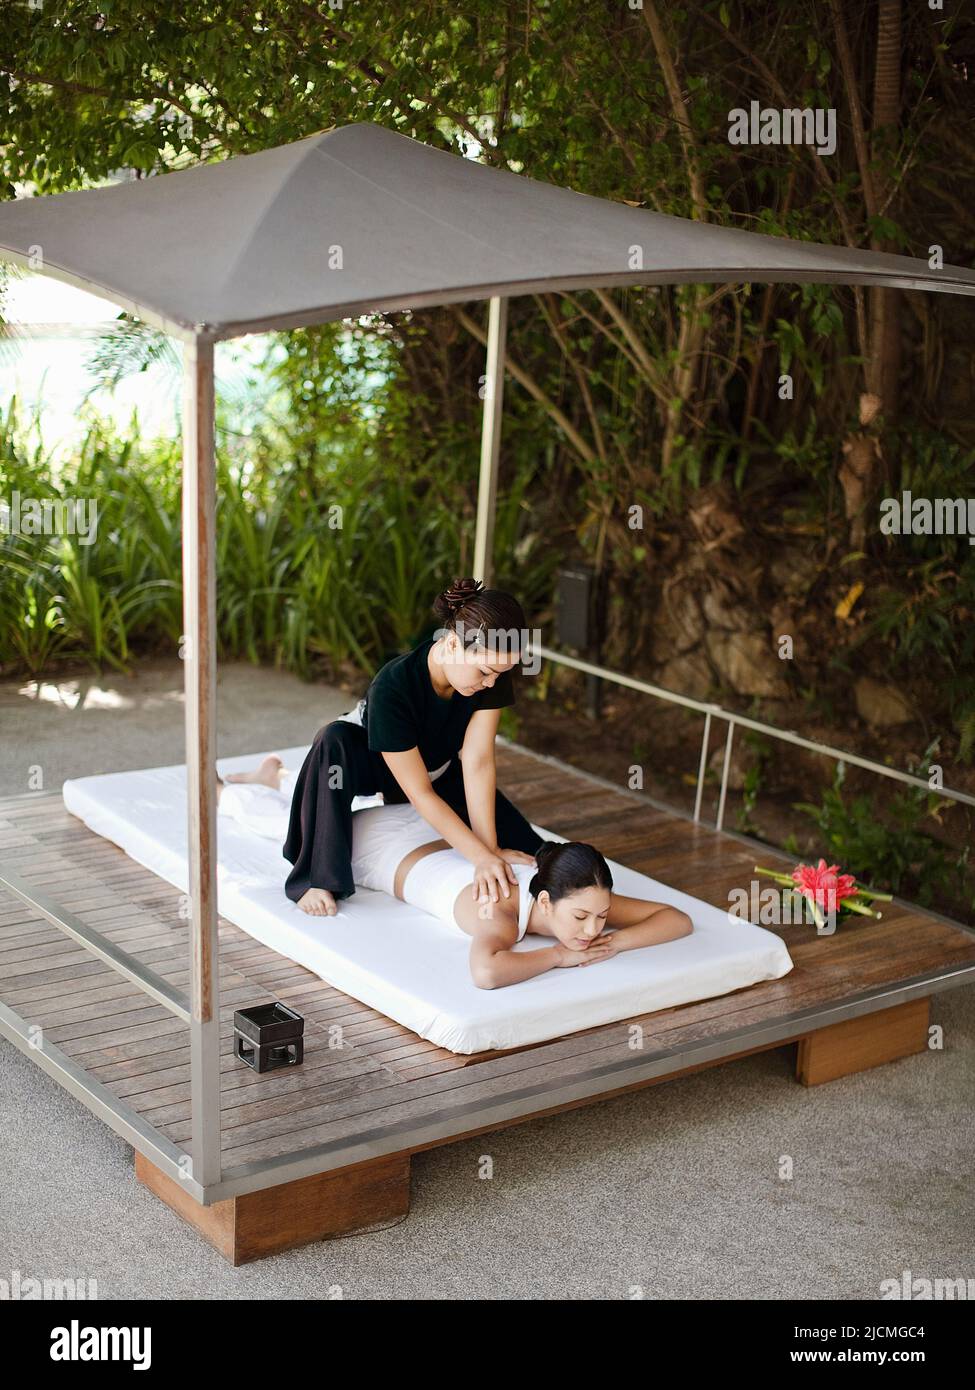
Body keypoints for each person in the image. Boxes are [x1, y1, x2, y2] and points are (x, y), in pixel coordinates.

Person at [217, 778, 694, 989]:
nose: (592, 929)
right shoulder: (502, 914)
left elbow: (677, 919)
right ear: (543, 901)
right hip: (376, 847)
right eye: (582, 919)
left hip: (424, 833)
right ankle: (229, 790)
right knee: (290, 825)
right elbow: (486, 974)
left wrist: (616, 942)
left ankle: (273, 775)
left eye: (600, 918)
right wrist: (561, 955)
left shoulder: (580, 892)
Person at [279, 577, 544, 915]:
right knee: (332, 740)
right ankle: (314, 876)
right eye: (485, 672)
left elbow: (477, 762)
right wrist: (478, 857)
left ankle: (276, 775)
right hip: (373, 763)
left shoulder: (491, 675)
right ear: (451, 645)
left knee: (534, 851)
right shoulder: (393, 685)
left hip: (441, 767)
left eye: (500, 674)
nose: (491, 682)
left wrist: (489, 849)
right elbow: (419, 793)